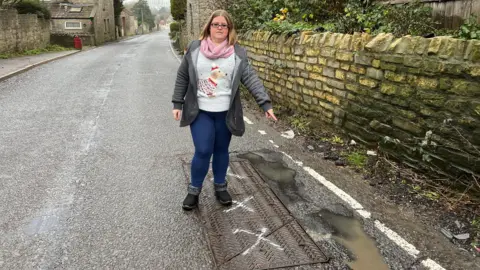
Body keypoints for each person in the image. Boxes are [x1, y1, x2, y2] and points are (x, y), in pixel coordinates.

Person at [172, 10, 277, 211]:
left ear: (229, 29)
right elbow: (183, 77)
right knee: (203, 150)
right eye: (216, 24)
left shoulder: (237, 53)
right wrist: (177, 103)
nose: (219, 28)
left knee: (221, 150)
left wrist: (265, 104)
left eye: (224, 25)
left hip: (225, 112)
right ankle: (194, 190)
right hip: (200, 110)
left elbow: (251, 79)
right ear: (208, 27)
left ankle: (220, 186)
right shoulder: (195, 48)